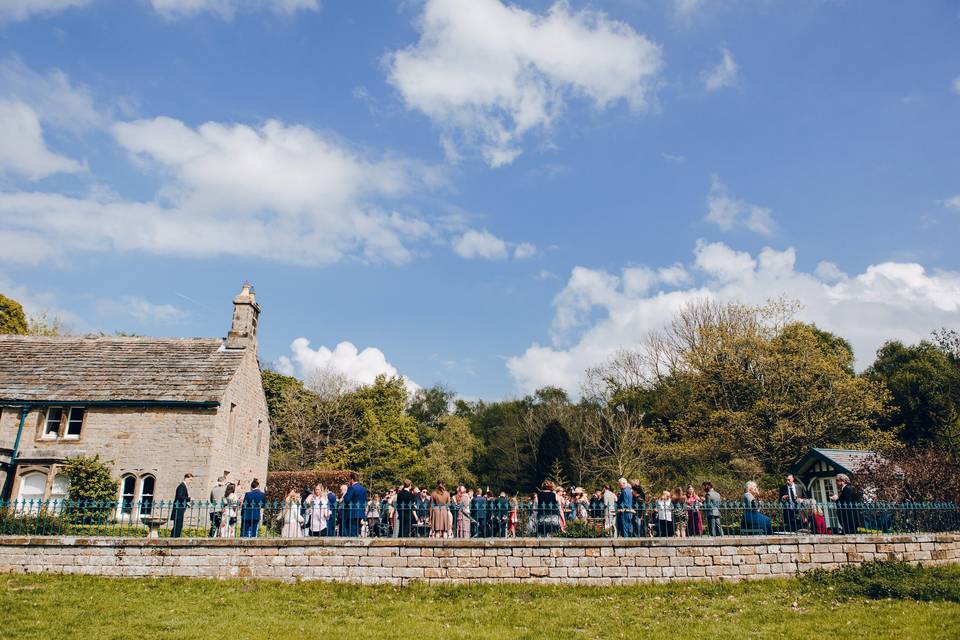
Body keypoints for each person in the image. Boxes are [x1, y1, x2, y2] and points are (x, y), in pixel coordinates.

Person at [342, 472, 367, 537]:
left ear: (352, 479)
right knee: (356, 532)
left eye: (349, 479)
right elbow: (365, 501)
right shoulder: (363, 489)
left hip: (352, 513)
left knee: (351, 532)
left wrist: (345, 494)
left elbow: (346, 499)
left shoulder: (352, 488)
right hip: (360, 513)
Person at [171, 473, 193, 538]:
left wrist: (187, 503)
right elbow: (180, 497)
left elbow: (181, 498)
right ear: (186, 478)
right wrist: (189, 498)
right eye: (190, 479)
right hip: (178, 509)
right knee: (178, 526)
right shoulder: (182, 486)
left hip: (180, 508)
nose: (191, 481)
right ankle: (174, 539)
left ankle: (173, 539)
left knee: (178, 526)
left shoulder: (183, 486)